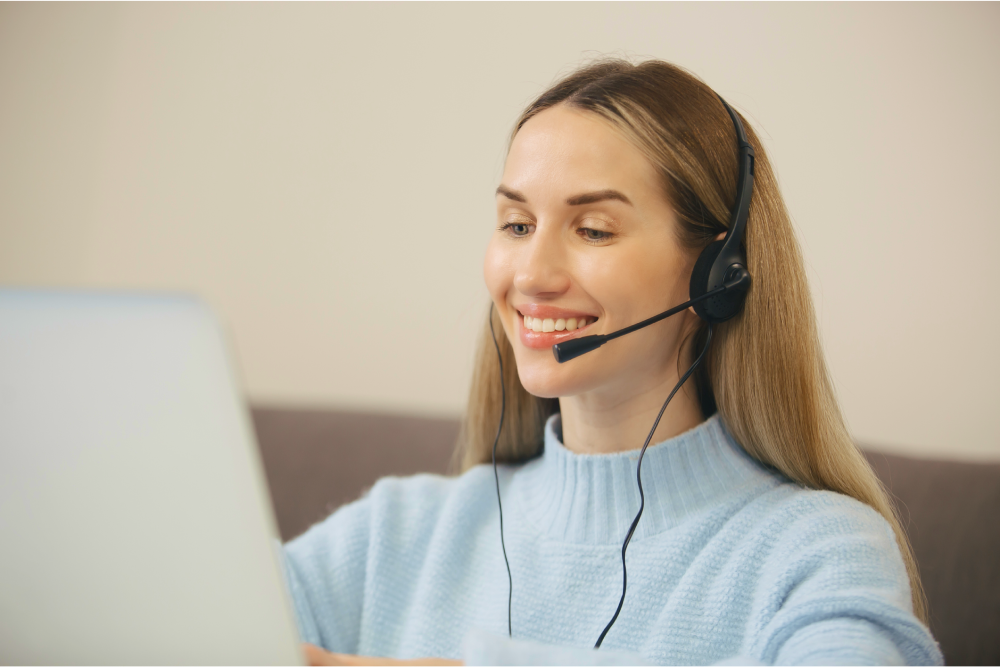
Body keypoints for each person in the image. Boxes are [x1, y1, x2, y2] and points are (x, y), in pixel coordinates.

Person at [285, 58, 942, 667]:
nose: (532, 275)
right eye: (517, 224)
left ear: (717, 273)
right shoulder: (395, 533)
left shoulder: (821, 551)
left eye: (592, 228)